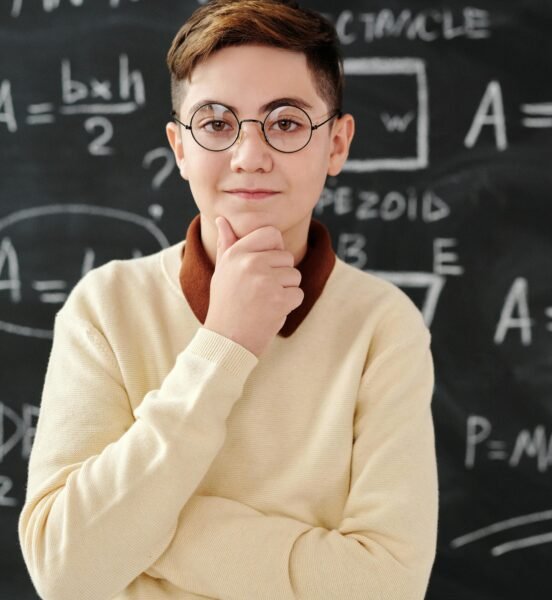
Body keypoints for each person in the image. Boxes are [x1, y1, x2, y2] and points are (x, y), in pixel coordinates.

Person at [17, 1, 438, 598]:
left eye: (286, 123)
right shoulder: (105, 307)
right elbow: (65, 571)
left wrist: (146, 530)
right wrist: (223, 345)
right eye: (216, 123)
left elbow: (387, 583)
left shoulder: (381, 326)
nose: (249, 156)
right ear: (180, 146)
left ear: (337, 144)